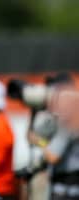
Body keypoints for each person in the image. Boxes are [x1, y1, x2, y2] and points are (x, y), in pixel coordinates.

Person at [28, 72, 79, 200]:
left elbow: (52, 157)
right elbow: (33, 134)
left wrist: (39, 141)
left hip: (67, 186)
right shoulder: (67, 117)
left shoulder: (68, 121)